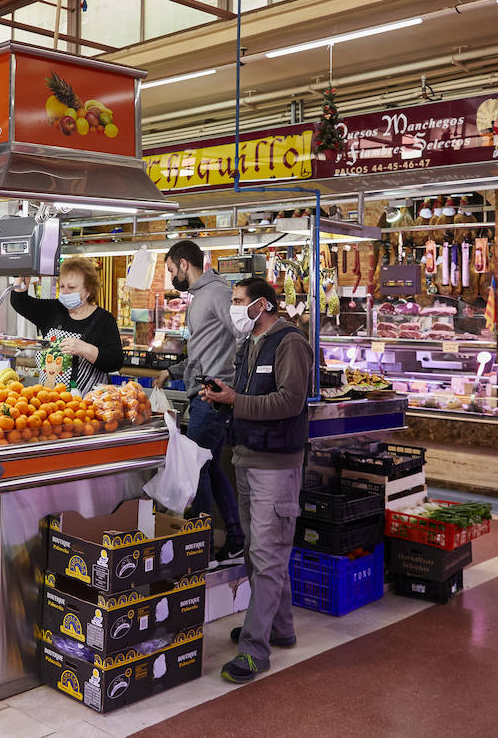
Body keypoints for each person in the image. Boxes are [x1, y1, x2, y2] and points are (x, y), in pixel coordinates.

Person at [201, 277, 312, 685]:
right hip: (248, 457)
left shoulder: (290, 343)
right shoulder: (251, 344)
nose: (233, 308)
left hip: (277, 466)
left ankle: (254, 650)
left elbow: (290, 401)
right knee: (258, 551)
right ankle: (279, 628)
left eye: (237, 301)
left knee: (267, 555)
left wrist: (237, 400)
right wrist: (224, 394)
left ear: (261, 304)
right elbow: (251, 397)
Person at [158, 240, 245, 565]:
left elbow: (242, 335)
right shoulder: (200, 298)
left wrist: (227, 382)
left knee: (196, 469)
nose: (170, 278)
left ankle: (203, 550)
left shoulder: (217, 294)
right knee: (210, 467)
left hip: (212, 397)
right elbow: (202, 351)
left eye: (170, 270)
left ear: (184, 264)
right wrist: (172, 370)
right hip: (204, 394)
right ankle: (234, 541)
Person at [10, 256, 123, 394]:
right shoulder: (53, 310)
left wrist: (85, 349)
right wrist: (21, 282)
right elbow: (20, 303)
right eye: (62, 286)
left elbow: (115, 362)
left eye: (72, 287)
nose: (64, 292)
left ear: (89, 290)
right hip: (48, 403)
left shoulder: (104, 320)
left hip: (84, 407)